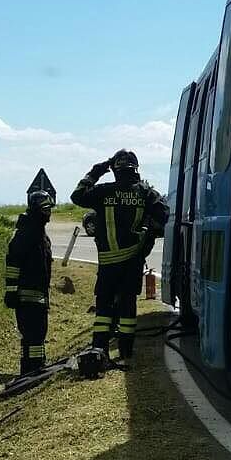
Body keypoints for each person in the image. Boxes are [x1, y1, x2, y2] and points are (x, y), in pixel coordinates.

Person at [71, 151, 168, 367]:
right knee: (127, 305)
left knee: (104, 307)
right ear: (136, 169)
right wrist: (147, 232)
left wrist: (96, 171)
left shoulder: (103, 192)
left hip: (107, 263)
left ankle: (99, 348)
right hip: (132, 260)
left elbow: (77, 196)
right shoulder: (146, 193)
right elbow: (163, 217)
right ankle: (125, 350)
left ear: (114, 170)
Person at [4, 190, 53, 375]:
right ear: (35, 209)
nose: (48, 213)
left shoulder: (39, 232)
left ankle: (35, 367)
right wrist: (11, 291)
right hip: (27, 297)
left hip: (39, 297)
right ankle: (30, 370)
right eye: (45, 208)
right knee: (32, 336)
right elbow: (13, 264)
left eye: (49, 208)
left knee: (38, 336)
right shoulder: (26, 234)